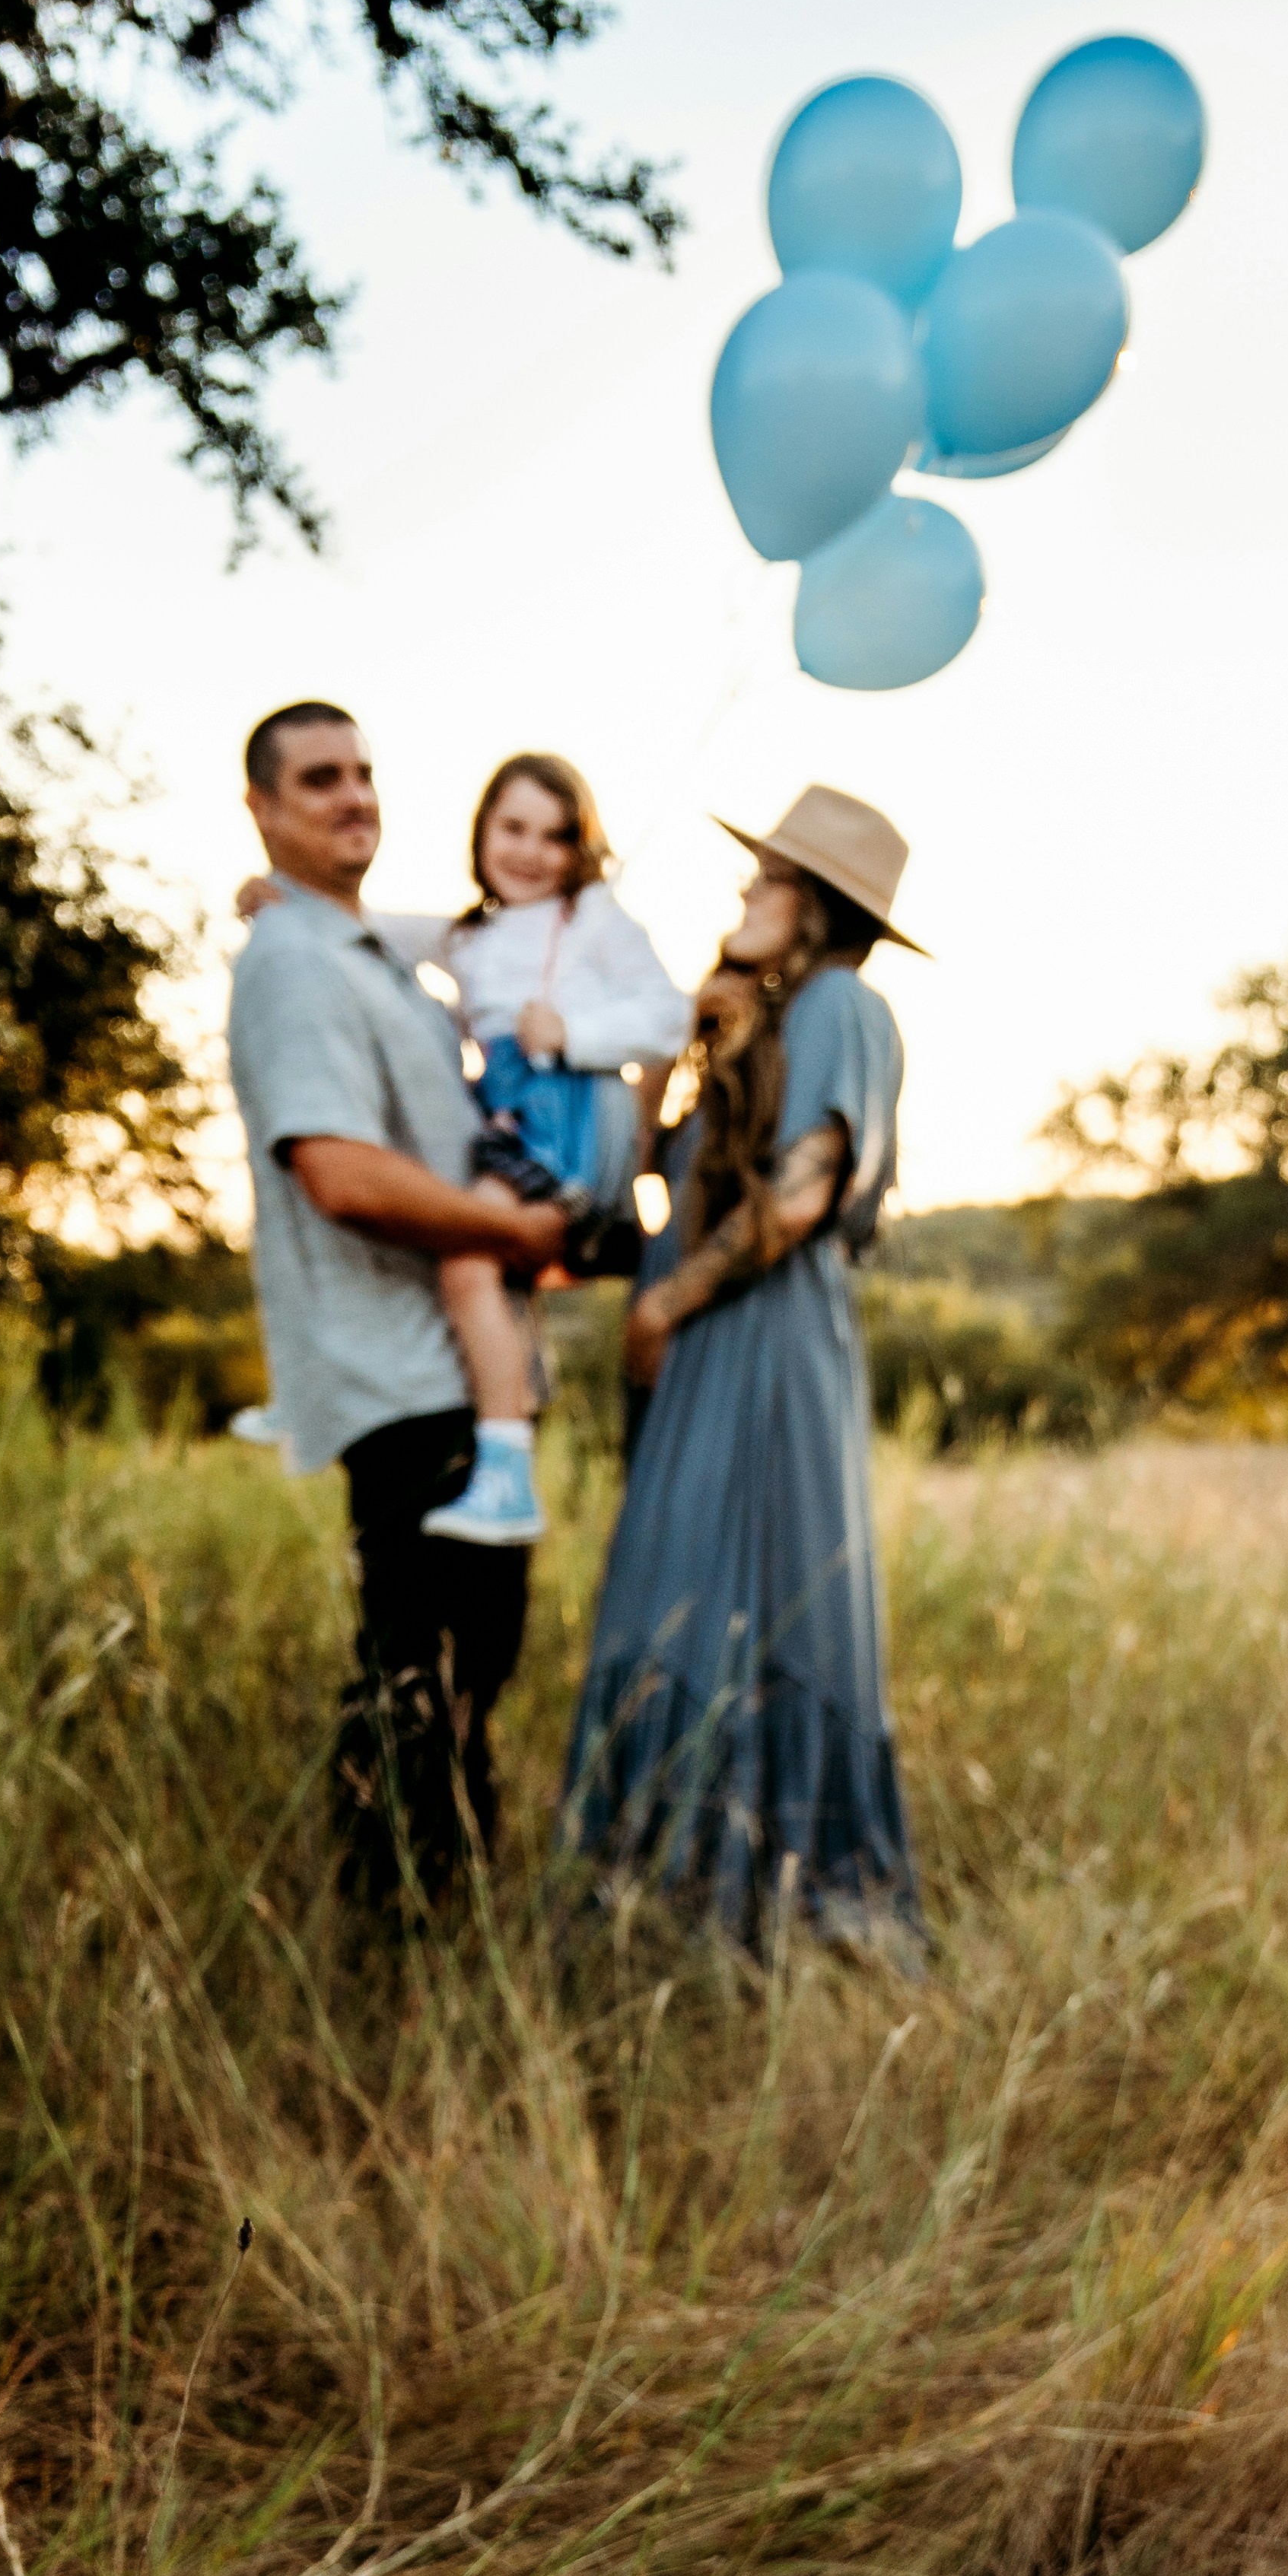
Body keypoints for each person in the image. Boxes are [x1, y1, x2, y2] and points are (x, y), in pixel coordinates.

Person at [559, 784, 924, 1954]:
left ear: (815, 905)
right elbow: (648, 1170)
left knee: (756, 1598)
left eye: (768, 878)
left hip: (763, 1338)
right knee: (670, 1591)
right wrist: (682, 1040)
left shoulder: (844, 1006)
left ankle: (778, 1889)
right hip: (704, 1339)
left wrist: (669, 1299)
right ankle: (663, 1886)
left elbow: (807, 1191)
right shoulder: (763, 1024)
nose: (746, 892)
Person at [226, 699, 570, 1903]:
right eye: (320, 778)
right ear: (263, 808)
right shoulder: (294, 964)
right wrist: (513, 1229)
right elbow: (337, 1170)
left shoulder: (376, 957)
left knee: (471, 1661)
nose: (354, 795)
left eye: (363, 772)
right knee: (417, 1670)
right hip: (401, 1376)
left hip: (462, 1369)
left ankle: (451, 1905)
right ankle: (399, 1924)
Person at [240, 749, 689, 1552]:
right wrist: (277, 898)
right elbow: (367, 930)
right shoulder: (471, 935)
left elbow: (667, 1016)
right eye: (513, 828)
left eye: (555, 836)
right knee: (457, 1253)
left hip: (566, 1118)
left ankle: (506, 1469)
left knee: (466, 1261)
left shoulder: (592, 919)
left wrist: (576, 1033)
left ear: (581, 849)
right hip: (510, 1117)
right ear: (482, 833)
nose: (530, 852)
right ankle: (318, 1392)